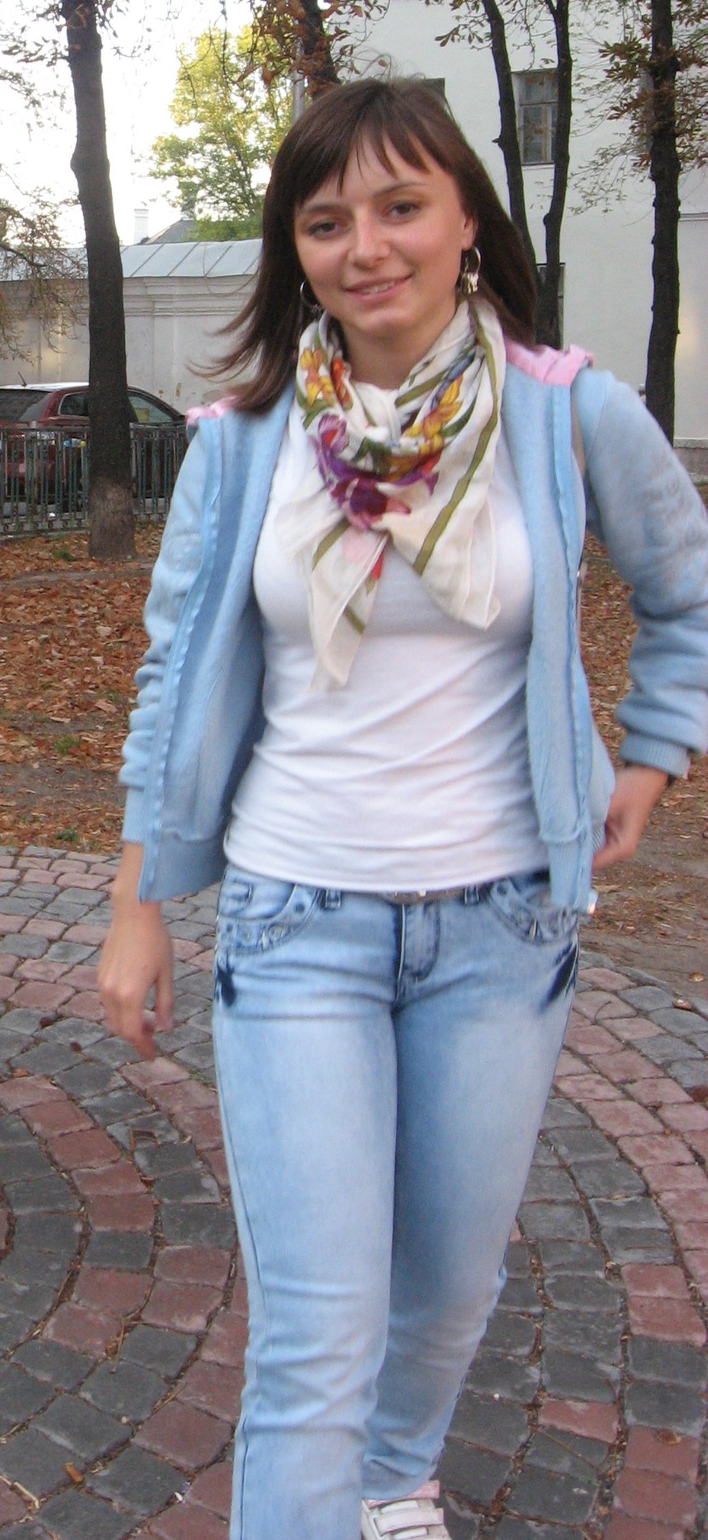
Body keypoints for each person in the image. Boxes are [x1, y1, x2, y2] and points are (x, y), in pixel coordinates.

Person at [96, 80, 708, 1540]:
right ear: (295, 251)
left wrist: (649, 757)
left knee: (444, 1289)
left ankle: (394, 1480)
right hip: (294, 921)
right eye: (326, 221)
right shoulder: (245, 439)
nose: (365, 246)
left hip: (503, 930)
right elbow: (172, 677)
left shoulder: (568, 413)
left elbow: (685, 594)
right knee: (318, 1335)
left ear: (466, 225)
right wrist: (138, 905)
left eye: (400, 206)